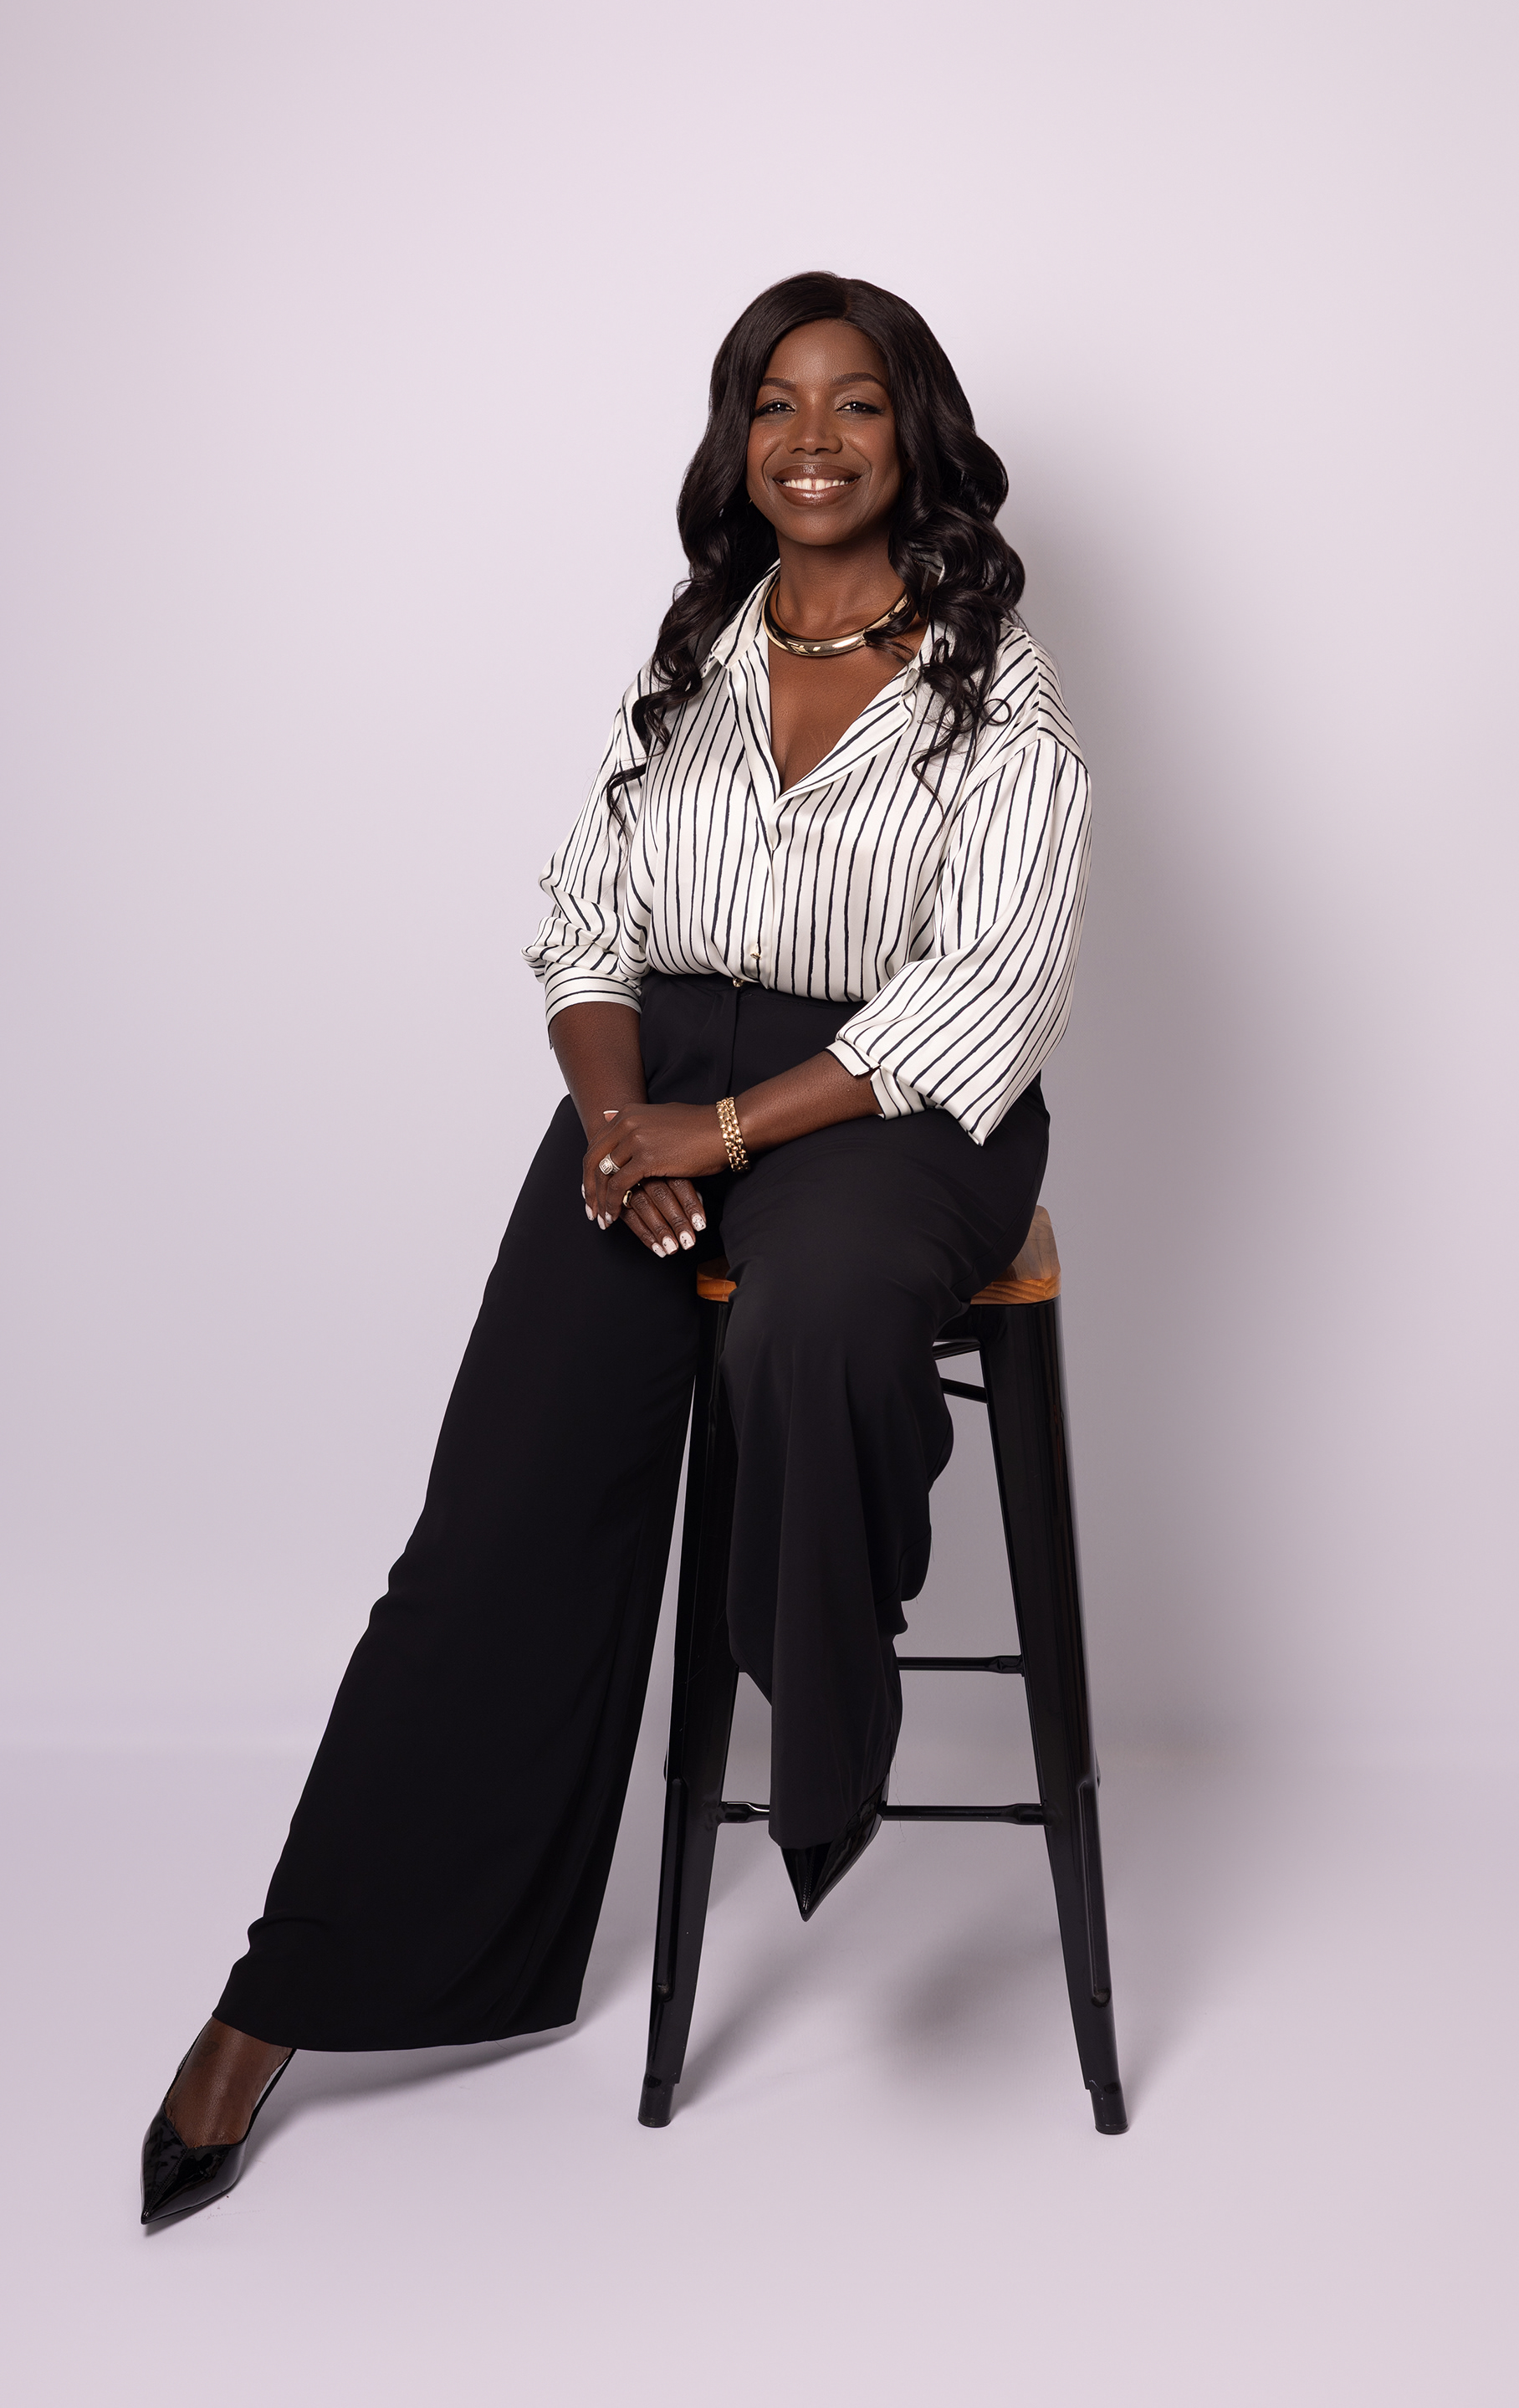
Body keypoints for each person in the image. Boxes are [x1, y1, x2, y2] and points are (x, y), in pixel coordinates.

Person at [140, 269, 1091, 2225]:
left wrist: (720, 1133)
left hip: (891, 1103)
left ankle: (824, 1716)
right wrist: (617, 1124)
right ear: (736, 440)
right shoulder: (691, 658)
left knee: (809, 1323)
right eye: (772, 401)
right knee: (495, 1507)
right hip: (657, 1080)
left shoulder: (998, 688)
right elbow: (585, 921)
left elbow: (983, 988)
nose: (810, 437)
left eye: (853, 402)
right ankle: (288, 1990)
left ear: (912, 434)